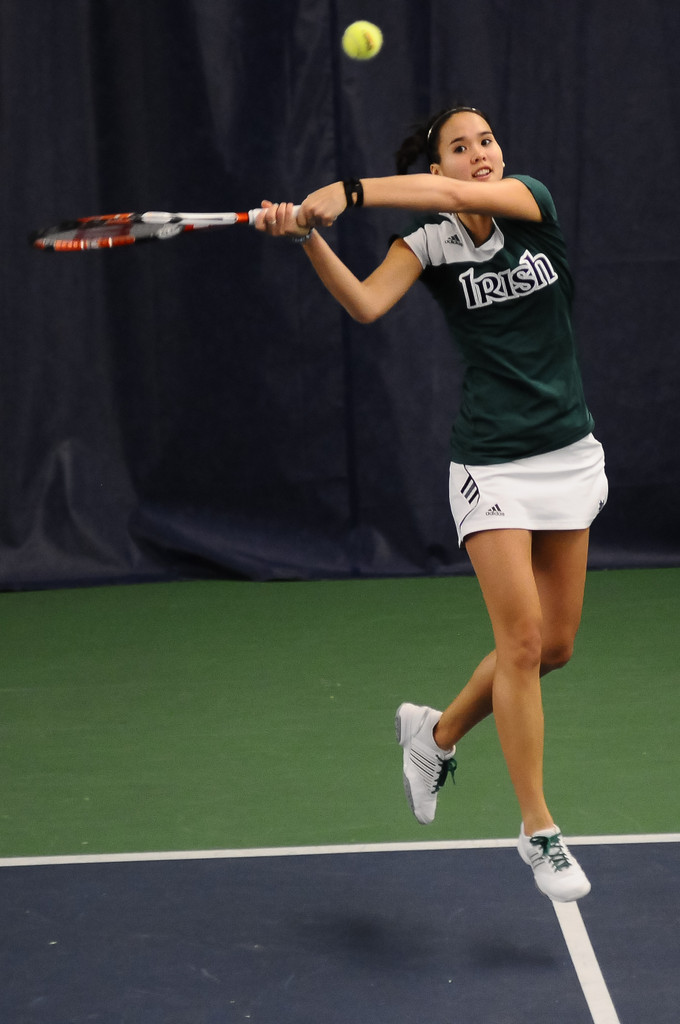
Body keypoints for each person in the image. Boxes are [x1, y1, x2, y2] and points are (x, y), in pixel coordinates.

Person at [255, 105, 608, 903]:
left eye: (486, 140)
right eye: (461, 147)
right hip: (492, 464)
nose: (481, 153)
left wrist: (349, 190)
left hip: (567, 453)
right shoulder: (426, 245)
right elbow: (367, 306)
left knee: (555, 647)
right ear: (437, 168)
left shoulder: (532, 201)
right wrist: (309, 235)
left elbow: (434, 195)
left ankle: (435, 733)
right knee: (519, 642)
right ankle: (537, 829)